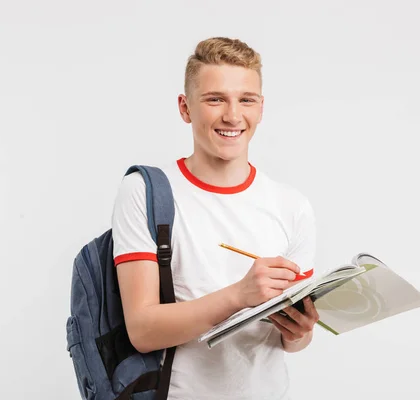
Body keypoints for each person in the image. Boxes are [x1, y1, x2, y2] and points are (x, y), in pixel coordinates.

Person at [111, 37, 320, 400]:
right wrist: (240, 294)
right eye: (215, 99)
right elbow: (142, 330)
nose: (233, 115)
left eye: (246, 99)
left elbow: (294, 345)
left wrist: (298, 331)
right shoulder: (144, 192)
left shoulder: (293, 206)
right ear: (185, 107)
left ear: (261, 107)